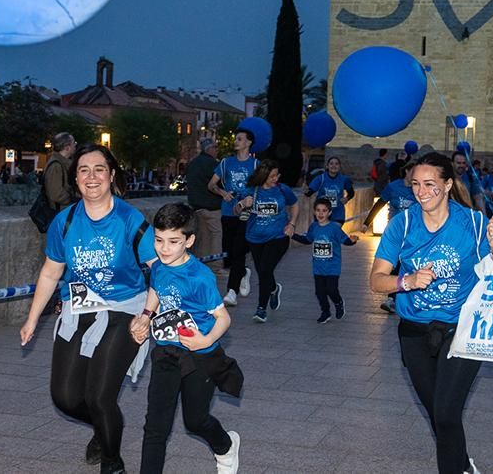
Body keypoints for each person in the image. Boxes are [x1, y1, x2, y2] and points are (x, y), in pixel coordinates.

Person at [19, 144, 155, 474]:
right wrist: (32, 318)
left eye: (99, 169)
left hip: (126, 310)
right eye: (83, 170)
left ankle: (113, 462)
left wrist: (148, 315)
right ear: (75, 179)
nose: (91, 176)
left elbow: (162, 270)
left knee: (99, 397)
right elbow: (52, 271)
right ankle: (103, 428)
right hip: (79, 310)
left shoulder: (130, 220)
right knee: (65, 397)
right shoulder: (64, 222)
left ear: (111, 176)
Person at [369, 152, 493, 474]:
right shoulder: (401, 224)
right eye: (415, 184)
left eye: (430, 183)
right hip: (414, 331)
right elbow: (376, 280)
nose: (421, 191)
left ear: (447, 184)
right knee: (439, 413)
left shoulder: (471, 223)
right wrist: (407, 280)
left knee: (445, 413)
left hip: (462, 329)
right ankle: (462, 464)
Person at [128, 203, 242, 474]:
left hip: (199, 355)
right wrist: (145, 315)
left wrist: (205, 340)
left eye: (173, 241)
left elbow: (224, 318)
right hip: (166, 353)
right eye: (158, 240)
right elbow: (156, 291)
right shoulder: (159, 266)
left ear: (189, 241)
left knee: (196, 420)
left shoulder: (200, 277)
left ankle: (226, 445)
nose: (163, 248)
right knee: (155, 426)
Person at [238, 159, 299, 323]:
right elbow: (236, 210)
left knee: (264, 270)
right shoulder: (252, 190)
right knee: (263, 272)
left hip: (278, 237)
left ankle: (261, 308)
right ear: (263, 175)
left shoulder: (282, 189)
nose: (275, 179)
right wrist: (243, 203)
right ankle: (273, 288)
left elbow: (294, 204)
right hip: (255, 238)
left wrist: (291, 224)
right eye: (272, 176)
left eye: (277, 176)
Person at [208, 128, 259, 307]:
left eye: (239, 139)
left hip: (246, 214)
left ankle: (231, 292)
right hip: (228, 212)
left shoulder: (255, 165)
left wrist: (250, 199)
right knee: (229, 254)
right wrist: (223, 193)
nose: (236, 142)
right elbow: (211, 184)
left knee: (238, 250)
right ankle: (243, 272)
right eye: (235, 139)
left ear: (249, 142)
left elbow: (261, 189)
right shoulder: (226, 163)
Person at [362, 161, 418, 314]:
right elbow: (380, 203)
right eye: (414, 170)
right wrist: (367, 223)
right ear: (406, 171)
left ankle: (404, 297)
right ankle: (392, 299)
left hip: (414, 236)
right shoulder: (393, 187)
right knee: (395, 265)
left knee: (408, 265)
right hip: (395, 234)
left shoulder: (419, 189)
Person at [291, 198, 359, 323]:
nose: (320, 213)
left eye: (324, 211)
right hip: (318, 267)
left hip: (333, 267)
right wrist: (292, 234)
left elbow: (346, 241)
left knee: (331, 289)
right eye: (318, 210)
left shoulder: (334, 228)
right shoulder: (313, 227)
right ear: (314, 212)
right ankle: (325, 311)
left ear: (329, 213)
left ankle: (338, 303)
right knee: (319, 292)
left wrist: (352, 240)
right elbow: (307, 240)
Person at [185, 138, 223, 260]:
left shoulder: (192, 163)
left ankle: (202, 264)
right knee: (216, 236)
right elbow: (221, 184)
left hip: (196, 207)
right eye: (215, 148)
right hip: (212, 207)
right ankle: (216, 265)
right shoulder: (213, 164)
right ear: (209, 149)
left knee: (202, 238)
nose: (217, 150)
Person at [305, 156, 356, 223]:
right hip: (322, 213)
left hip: (338, 213)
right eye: (331, 164)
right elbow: (309, 192)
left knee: (334, 232)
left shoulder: (344, 179)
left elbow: (351, 193)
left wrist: (347, 198)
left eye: (336, 164)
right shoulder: (321, 178)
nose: (334, 166)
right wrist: (306, 191)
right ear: (327, 166)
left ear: (339, 166)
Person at [44, 132, 77, 213]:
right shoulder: (56, 165)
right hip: (61, 211)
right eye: (74, 143)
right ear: (67, 147)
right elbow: (56, 194)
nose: (75, 145)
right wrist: (72, 199)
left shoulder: (60, 162)